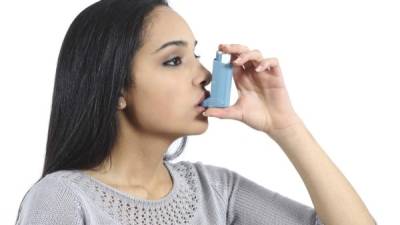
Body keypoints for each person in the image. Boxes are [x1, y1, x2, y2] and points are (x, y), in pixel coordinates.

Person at [15, 0, 377, 224]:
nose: (204, 76)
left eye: (196, 56)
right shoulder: (62, 199)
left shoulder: (215, 191)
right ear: (116, 90)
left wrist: (285, 126)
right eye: (174, 60)